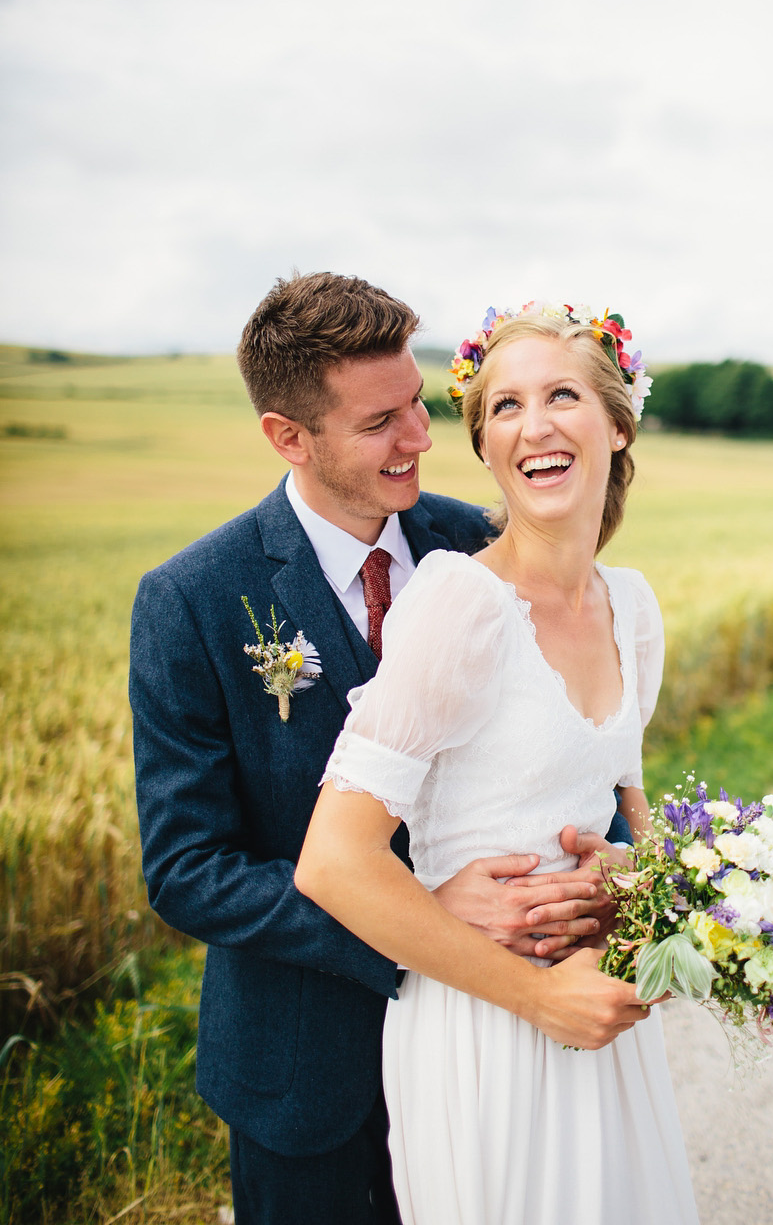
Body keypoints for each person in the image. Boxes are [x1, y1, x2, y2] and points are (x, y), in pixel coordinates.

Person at [129, 274, 644, 1225]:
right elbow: (187, 869)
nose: (420, 437)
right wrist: (414, 916)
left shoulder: (473, 537)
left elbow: (560, 737)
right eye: (381, 423)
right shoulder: (194, 600)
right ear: (290, 436)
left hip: (491, 1047)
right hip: (307, 1069)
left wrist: (606, 860)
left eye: (418, 402)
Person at [294, 301, 700, 1224]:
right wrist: (540, 998)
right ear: (485, 444)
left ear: (619, 421)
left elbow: (632, 826)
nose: (535, 424)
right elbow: (333, 861)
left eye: (562, 394)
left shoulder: (632, 608)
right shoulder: (459, 605)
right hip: (484, 1025)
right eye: (505, 406)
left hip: (601, 1012)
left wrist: (639, 885)